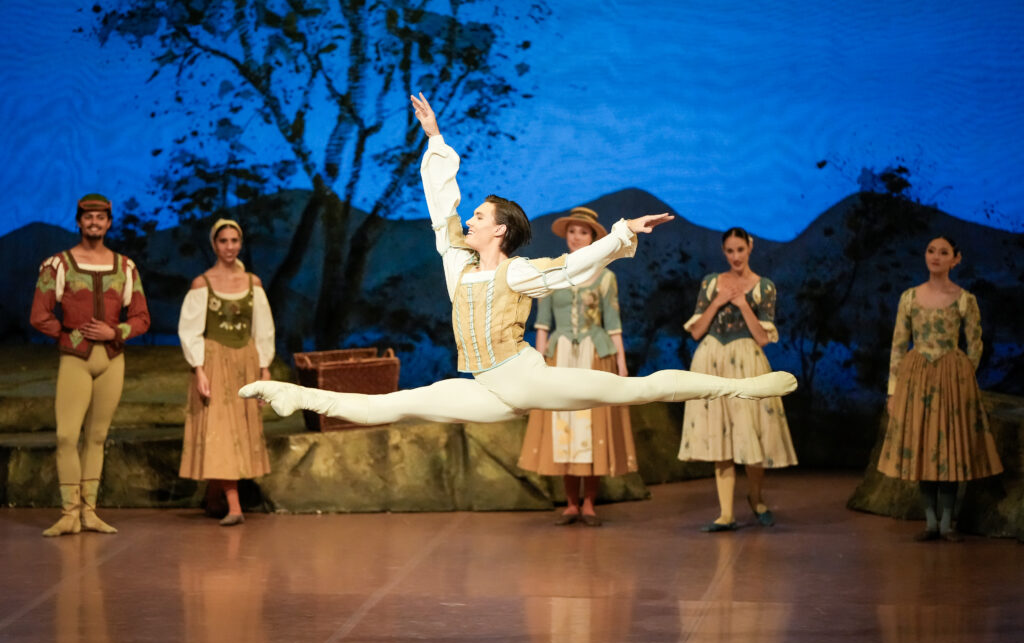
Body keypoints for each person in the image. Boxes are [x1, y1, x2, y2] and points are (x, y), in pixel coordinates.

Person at [239, 94, 798, 426]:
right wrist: (435, 142)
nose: (471, 222)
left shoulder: (518, 270)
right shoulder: (459, 265)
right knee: (396, 405)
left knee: (635, 390)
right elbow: (441, 210)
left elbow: (573, 268)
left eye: (481, 217)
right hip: (481, 385)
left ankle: (743, 389)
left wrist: (622, 231)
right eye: (474, 217)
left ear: (500, 230)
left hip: (523, 379)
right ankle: (293, 395)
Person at [30, 193, 151, 536]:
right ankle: (69, 512)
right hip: (76, 359)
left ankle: (89, 512)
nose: (94, 222)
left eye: (101, 217)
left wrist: (116, 330)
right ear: (79, 221)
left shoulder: (125, 267)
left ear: (109, 223)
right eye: (88, 217)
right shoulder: (58, 265)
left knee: (97, 437)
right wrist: (70, 335)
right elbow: (39, 315)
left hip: (112, 358)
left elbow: (142, 317)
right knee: (67, 435)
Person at [518, 207, 637, 527]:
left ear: (593, 237)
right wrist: (538, 362)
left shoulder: (606, 276)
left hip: (595, 357)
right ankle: (571, 503)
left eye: (583, 232)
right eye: (572, 231)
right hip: (561, 356)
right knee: (564, 427)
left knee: (593, 423)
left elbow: (613, 324)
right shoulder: (554, 272)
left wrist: (622, 365)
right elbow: (542, 323)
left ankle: (589, 503)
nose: (576, 237)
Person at [878, 236, 1001, 542]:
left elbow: (975, 344)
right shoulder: (909, 297)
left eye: (943, 252)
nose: (935, 256)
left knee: (948, 449)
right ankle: (931, 521)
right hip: (917, 376)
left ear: (955, 259)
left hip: (951, 378)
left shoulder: (964, 299)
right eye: (931, 250)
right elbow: (897, 345)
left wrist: (960, 375)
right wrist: (893, 391)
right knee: (922, 446)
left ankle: (947, 522)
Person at [678, 227, 797, 532]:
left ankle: (756, 500)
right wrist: (718, 301)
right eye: (729, 251)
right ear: (724, 251)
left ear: (750, 248)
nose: (735, 257)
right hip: (712, 358)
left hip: (746, 359)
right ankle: (726, 513)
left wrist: (743, 303)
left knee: (749, 432)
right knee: (720, 434)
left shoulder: (763, 287)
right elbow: (695, 331)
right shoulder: (711, 283)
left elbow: (763, 338)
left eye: (740, 250)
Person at [178, 218, 275, 526]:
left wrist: (264, 368)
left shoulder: (252, 284)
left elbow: (263, 329)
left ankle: (214, 497)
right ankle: (235, 506)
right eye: (224, 241)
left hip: (245, 361)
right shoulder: (201, 284)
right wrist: (199, 369)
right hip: (215, 360)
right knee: (219, 427)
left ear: (240, 243)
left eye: (235, 241)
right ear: (214, 245)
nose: (230, 247)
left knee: (237, 428)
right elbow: (190, 331)